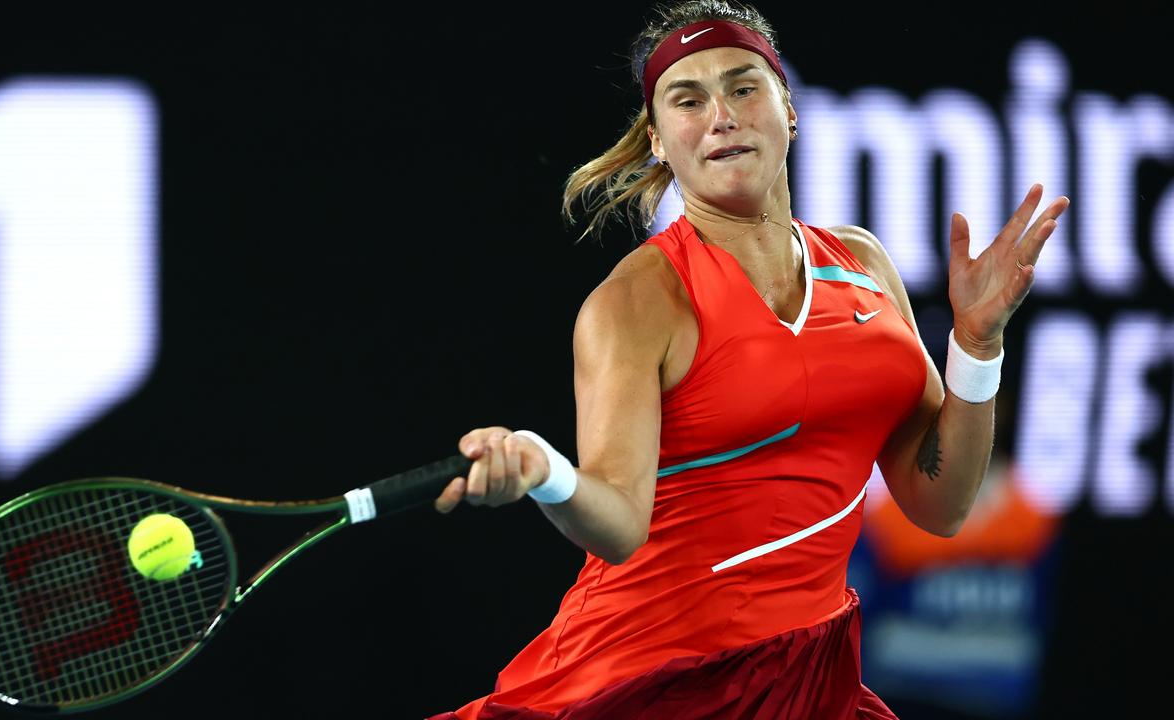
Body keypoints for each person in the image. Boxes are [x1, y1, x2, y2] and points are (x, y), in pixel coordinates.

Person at [428, 1, 1069, 718]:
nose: (722, 115)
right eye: (688, 99)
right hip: (648, 679)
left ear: (788, 109)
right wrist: (545, 471)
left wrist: (976, 346)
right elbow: (617, 524)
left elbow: (941, 505)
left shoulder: (861, 265)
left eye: (743, 86)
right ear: (660, 142)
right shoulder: (637, 304)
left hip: (807, 682)